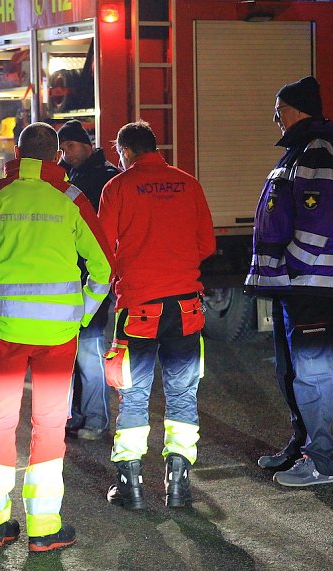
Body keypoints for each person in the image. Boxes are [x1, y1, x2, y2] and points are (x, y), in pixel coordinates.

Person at [0, 122, 113, 552]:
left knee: (0, 422)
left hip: (4, 332)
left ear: (17, 152)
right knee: (48, 426)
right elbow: (103, 268)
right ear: (55, 154)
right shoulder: (71, 199)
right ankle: (44, 529)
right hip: (57, 335)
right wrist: (83, 312)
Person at [97, 120, 215, 510]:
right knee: (183, 395)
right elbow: (206, 244)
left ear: (127, 151)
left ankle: (130, 488)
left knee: (133, 398)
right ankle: (178, 486)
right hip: (186, 308)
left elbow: (103, 251)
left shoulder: (118, 187)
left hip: (138, 311)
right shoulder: (189, 183)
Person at [245, 75, 333, 487]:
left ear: (299, 110)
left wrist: (291, 266)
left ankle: (320, 460)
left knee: (312, 372)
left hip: (308, 283)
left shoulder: (317, 151)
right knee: (291, 370)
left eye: (280, 109)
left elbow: (318, 220)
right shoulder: (299, 152)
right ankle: (301, 445)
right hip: (294, 283)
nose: (276, 117)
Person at [57, 119, 120, 441]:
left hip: (92, 276)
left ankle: (95, 418)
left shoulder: (105, 177)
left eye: (70, 146)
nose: (66, 153)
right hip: (73, 276)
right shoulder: (73, 176)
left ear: (87, 144)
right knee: (74, 353)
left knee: (89, 352)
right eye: (62, 148)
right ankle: (78, 415)